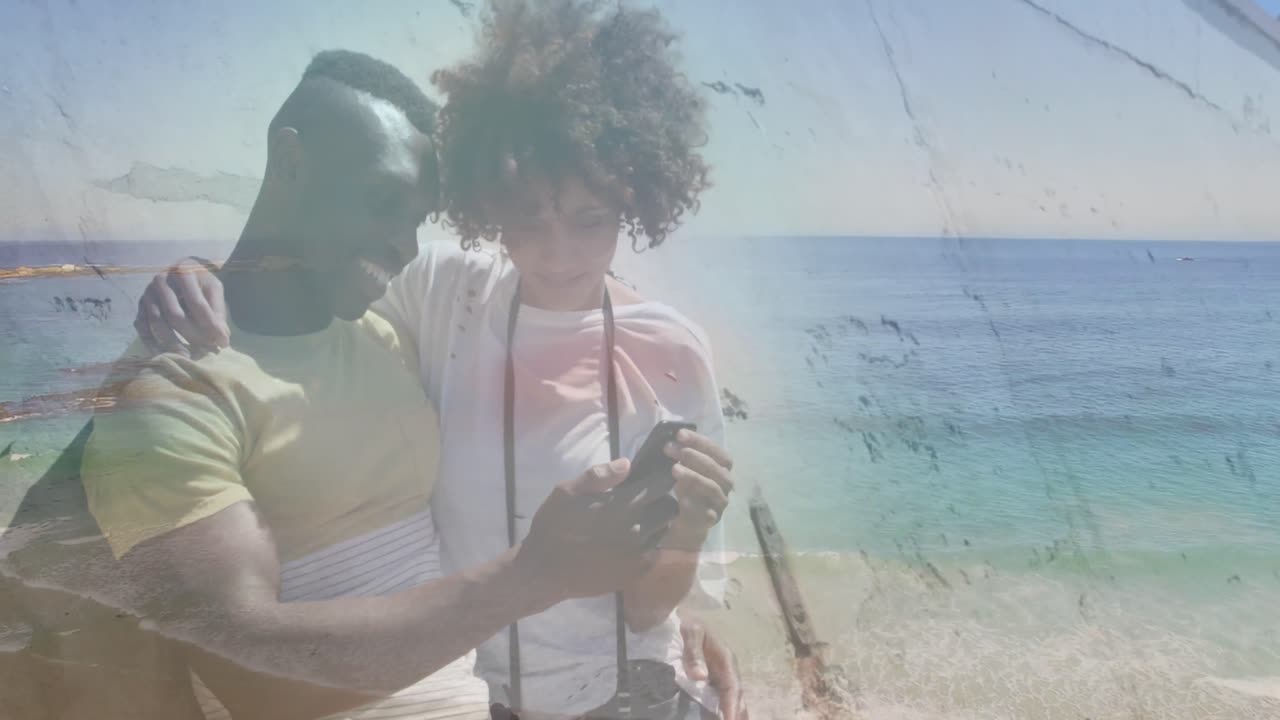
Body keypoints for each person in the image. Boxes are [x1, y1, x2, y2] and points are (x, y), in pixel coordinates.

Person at [80, 48, 745, 720]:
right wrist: (197, 277)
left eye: (590, 219)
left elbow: (650, 605)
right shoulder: (442, 298)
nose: (558, 249)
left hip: (620, 693)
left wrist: (683, 544)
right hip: (484, 692)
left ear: (631, 202)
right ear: (492, 201)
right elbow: (270, 323)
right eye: (528, 214)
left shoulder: (667, 351)